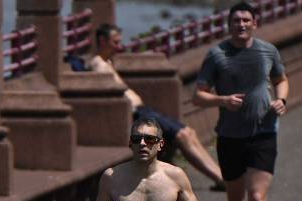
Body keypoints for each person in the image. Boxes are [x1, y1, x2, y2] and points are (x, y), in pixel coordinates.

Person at [193, 2, 289, 201]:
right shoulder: (217, 55)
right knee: (236, 197)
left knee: (257, 197)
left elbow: (281, 79)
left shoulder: (267, 51)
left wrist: (282, 100)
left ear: (255, 23)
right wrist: (222, 101)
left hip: (264, 132)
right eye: (236, 20)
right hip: (230, 136)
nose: (242, 24)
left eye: (246, 20)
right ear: (229, 25)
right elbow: (198, 96)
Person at [91, 23, 225, 189]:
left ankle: (220, 175)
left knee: (188, 133)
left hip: (142, 111)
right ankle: (218, 178)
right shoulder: (98, 64)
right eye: (115, 42)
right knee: (183, 136)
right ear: (102, 41)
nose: (119, 46)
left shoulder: (108, 61)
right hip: (135, 114)